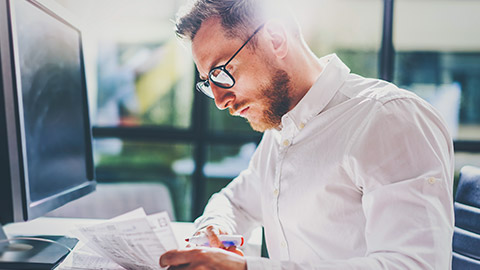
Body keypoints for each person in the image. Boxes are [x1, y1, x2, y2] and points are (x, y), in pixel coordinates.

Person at [160, 0, 455, 269]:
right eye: (208, 83)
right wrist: (215, 226)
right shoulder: (281, 129)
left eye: (222, 71)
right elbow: (234, 202)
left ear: (275, 39)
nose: (221, 100)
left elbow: (415, 265)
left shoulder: (389, 119)